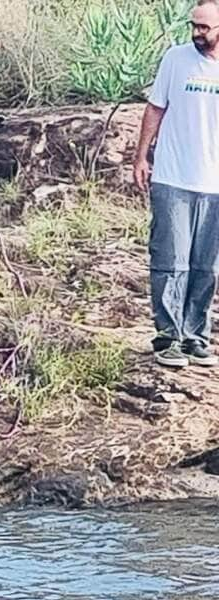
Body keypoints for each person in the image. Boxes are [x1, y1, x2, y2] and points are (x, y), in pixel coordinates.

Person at [133, 0, 219, 369]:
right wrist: (141, 156)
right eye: (194, 26)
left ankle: (195, 336)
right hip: (173, 176)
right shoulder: (175, 59)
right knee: (170, 260)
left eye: (205, 28)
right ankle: (168, 337)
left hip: (214, 183)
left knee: (207, 265)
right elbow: (155, 108)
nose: (197, 33)